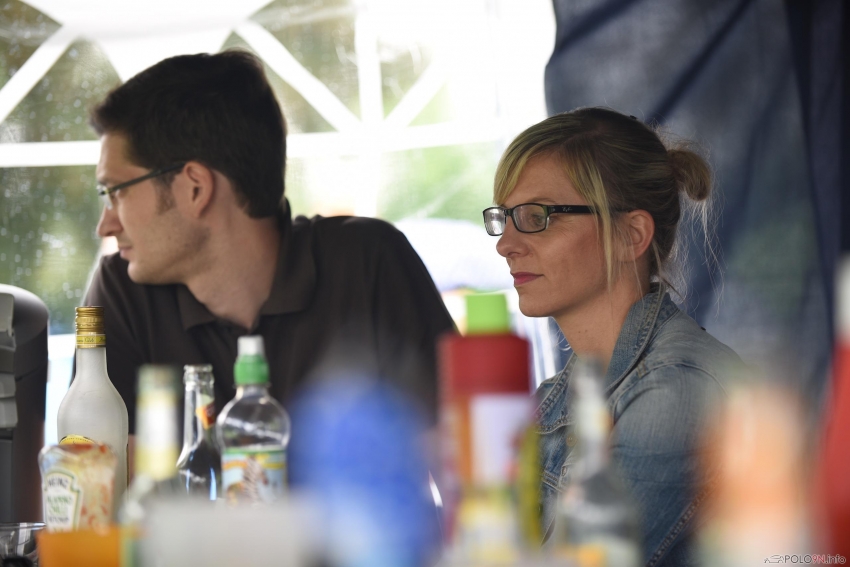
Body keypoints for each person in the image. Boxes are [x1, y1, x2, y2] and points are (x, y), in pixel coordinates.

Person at [82, 51, 454, 459]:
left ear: (195, 188)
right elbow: (106, 484)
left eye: (116, 192)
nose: (105, 225)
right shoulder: (123, 290)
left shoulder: (368, 266)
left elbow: (460, 455)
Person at [484, 107, 742, 566]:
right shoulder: (559, 395)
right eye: (505, 217)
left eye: (538, 216)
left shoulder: (677, 388)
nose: (506, 244)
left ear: (630, 234)